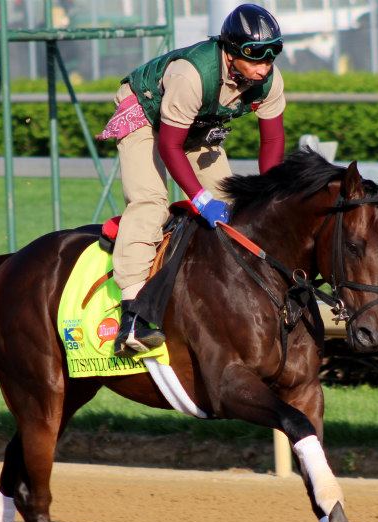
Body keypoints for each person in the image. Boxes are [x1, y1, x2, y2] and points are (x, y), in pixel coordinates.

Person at [98, 3, 287, 358]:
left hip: (194, 125)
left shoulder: (270, 80)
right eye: (255, 54)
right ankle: (133, 317)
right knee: (150, 202)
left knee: (236, 209)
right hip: (145, 113)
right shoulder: (191, 75)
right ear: (230, 52)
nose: (265, 64)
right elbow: (170, 146)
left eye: (273, 53)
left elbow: (273, 142)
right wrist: (199, 199)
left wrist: (269, 194)